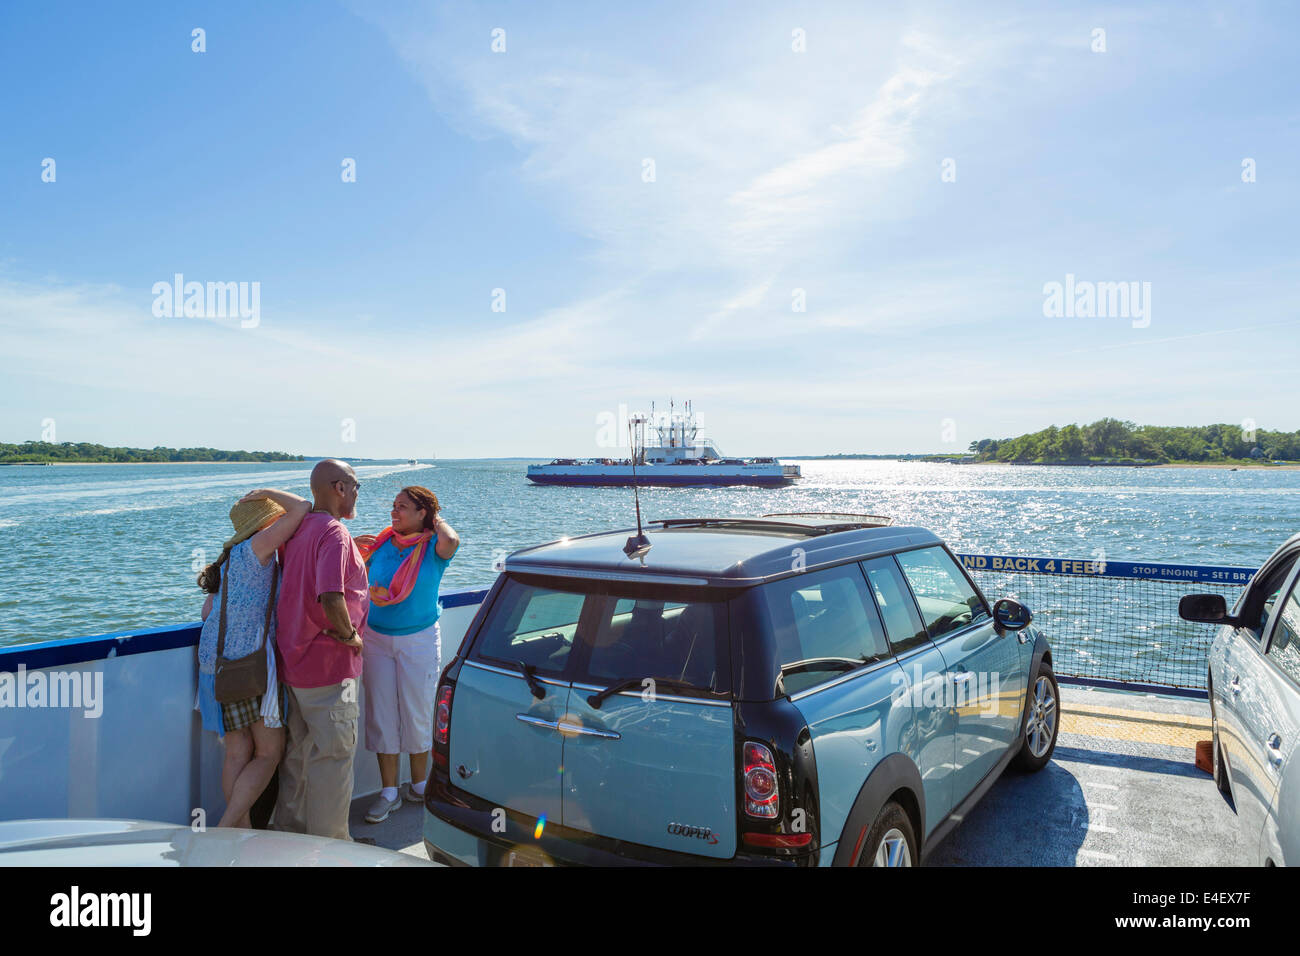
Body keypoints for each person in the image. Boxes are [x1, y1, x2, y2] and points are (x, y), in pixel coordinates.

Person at [196, 488, 310, 828]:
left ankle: (241, 835)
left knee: (237, 753)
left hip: (217, 665)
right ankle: (227, 827)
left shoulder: (230, 558)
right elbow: (303, 507)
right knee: (269, 753)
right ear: (266, 522)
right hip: (251, 665)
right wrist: (267, 493)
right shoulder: (259, 547)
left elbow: (207, 614)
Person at [272, 459, 369, 841]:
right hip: (331, 670)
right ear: (339, 487)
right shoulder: (334, 532)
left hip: (294, 666)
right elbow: (330, 596)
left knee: (298, 757)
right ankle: (333, 850)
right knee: (334, 759)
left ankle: (288, 842)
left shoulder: (299, 530)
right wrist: (351, 637)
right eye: (356, 485)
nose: (359, 492)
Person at [353, 486, 460, 823]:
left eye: (403, 508)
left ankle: (419, 784)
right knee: (381, 712)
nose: (394, 513)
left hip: (419, 639)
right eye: (393, 506)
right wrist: (354, 545)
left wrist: (435, 516)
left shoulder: (433, 547)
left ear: (422, 514)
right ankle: (389, 792)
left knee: (417, 710)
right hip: (376, 638)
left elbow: (453, 541)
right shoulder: (381, 544)